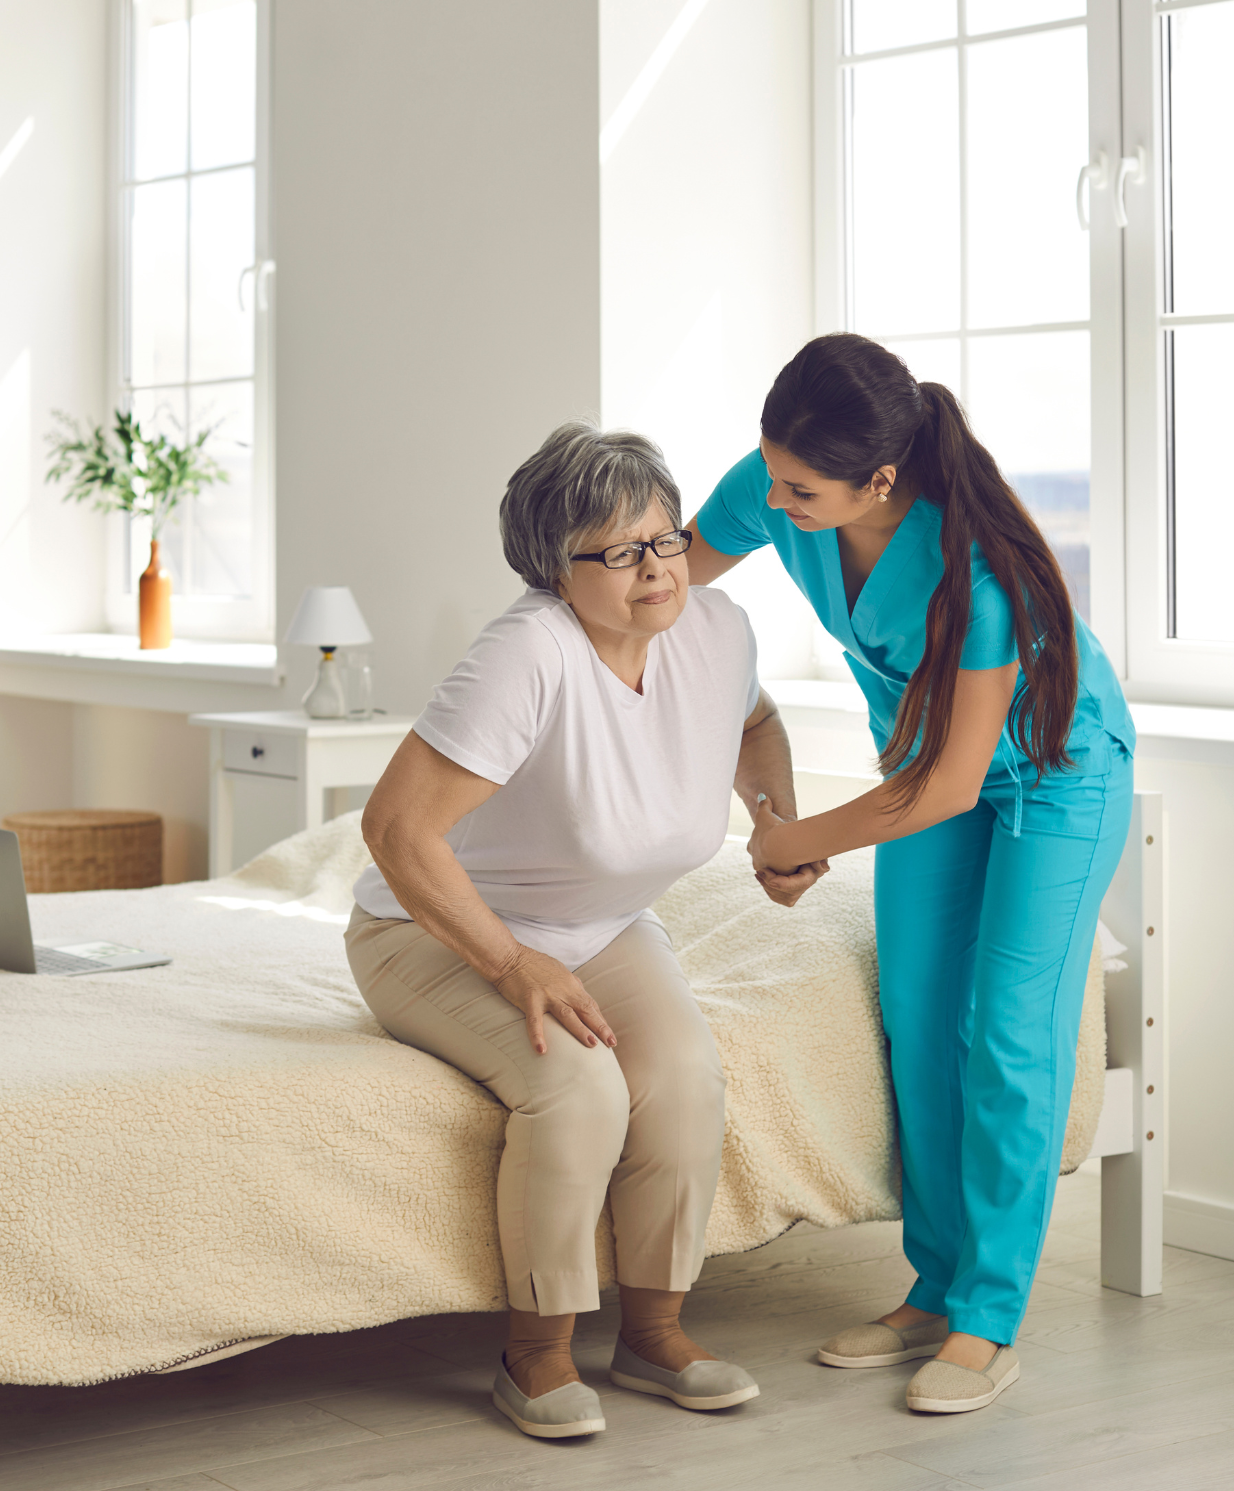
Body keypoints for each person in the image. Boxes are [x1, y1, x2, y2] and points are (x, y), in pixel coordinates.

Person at [346, 422, 825, 1439]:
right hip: (436, 930)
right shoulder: (526, 655)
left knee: (686, 1079)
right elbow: (395, 830)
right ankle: (538, 1356)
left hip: (600, 925)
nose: (655, 570)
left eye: (663, 540)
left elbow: (755, 724)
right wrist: (512, 963)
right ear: (552, 570)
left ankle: (655, 1336)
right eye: (617, 552)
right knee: (575, 1086)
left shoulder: (715, 628)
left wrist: (774, 821)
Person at [685, 334, 1135, 1415]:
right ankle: (932, 1290)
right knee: (921, 1021)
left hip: (1051, 782)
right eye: (771, 471)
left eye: (803, 489)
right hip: (926, 774)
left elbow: (949, 784)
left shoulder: (980, 575)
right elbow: (667, 589)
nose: (775, 499)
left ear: (878, 481)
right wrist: (762, 800)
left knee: (1009, 1031)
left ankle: (987, 1319)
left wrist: (804, 839)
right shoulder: (773, 483)